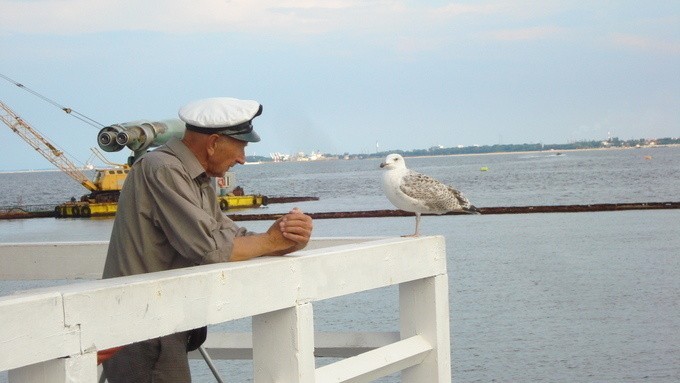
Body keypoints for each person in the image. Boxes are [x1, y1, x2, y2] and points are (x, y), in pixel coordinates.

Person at [101, 97, 313, 383]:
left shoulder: (198, 176)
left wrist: (286, 240)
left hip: (161, 320)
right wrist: (272, 242)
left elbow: (227, 235)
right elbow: (210, 249)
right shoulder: (162, 168)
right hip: (144, 326)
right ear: (213, 143)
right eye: (242, 147)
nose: (242, 158)